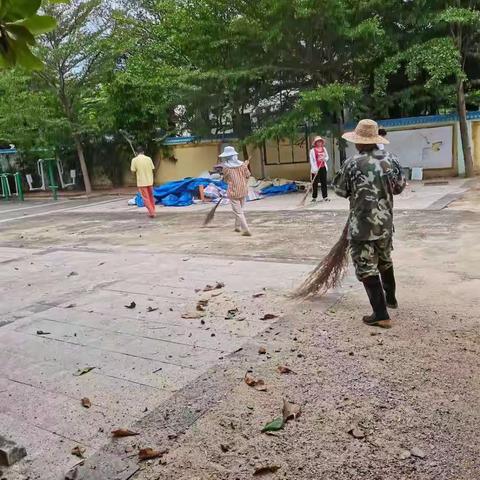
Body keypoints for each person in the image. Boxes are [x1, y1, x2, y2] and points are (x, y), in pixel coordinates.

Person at [333, 119, 406, 328]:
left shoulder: (352, 163)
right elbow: (400, 187)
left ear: (360, 142)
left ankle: (380, 314)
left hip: (361, 226)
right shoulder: (391, 159)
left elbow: (340, 190)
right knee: (384, 259)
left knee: (366, 267)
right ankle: (391, 299)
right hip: (385, 223)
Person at [219, 146, 252, 236]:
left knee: (238, 212)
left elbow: (226, 179)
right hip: (243, 190)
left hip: (233, 191)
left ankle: (246, 230)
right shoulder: (242, 165)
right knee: (240, 210)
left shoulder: (226, 168)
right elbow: (248, 175)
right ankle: (237, 227)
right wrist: (244, 167)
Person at [131, 146, 156, 218]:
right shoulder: (149, 159)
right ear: (143, 152)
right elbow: (152, 168)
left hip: (142, 182)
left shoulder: (134, 160)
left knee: (146, 198)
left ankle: (152, 212)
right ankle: (153, 211)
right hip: (150, 181)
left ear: (136, 152)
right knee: (151, 197)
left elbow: (133, 171)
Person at [309, 136, 330, 202]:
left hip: (323, 167)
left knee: (324, 182)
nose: (319, 142)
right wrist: (314, 169)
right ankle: (314, 197)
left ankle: (325, 196)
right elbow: (312, 161)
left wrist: (325, 159)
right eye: (318, 141)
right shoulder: (312, 151)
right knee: (314, 183)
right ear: (315, 143)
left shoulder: (324, 149)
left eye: (320, 141)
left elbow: (327, 157)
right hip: (315, 169)